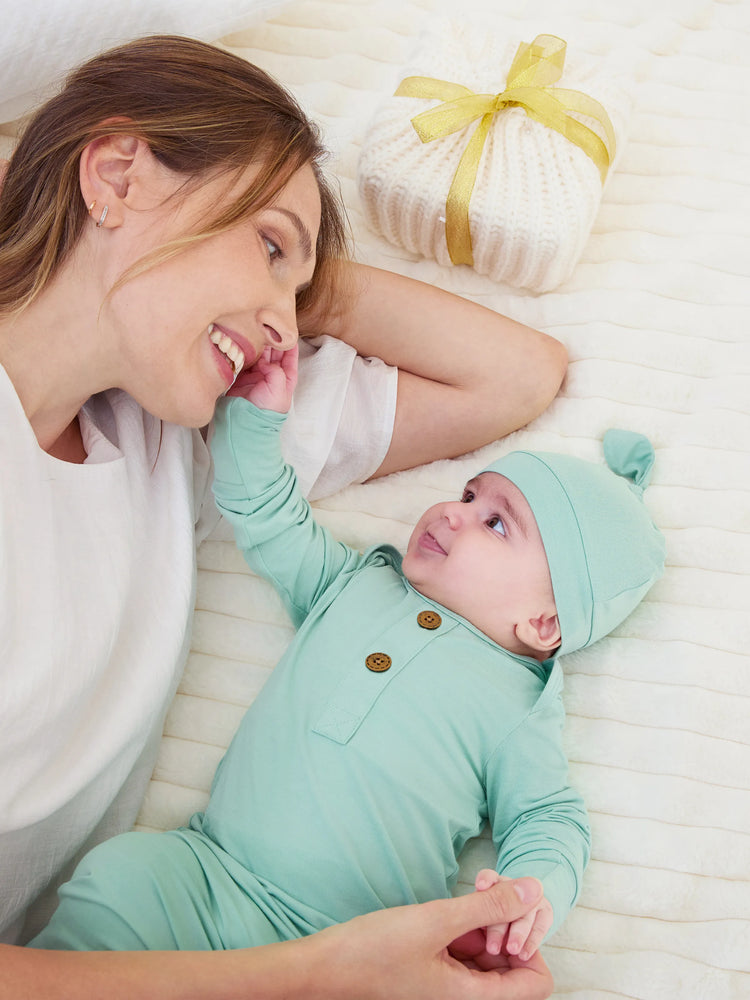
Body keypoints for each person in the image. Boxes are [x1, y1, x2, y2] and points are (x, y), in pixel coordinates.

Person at [0, 31, 566, 1000]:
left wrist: (292, 286)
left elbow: (514, 375)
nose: (282, 317)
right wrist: (311, 975)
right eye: (266, 242)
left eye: (293, 287)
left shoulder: (173, 447)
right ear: (119, 173)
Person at [30, 344, 665, 968]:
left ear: (544, 620)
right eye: (468, 497)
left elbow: (549, 815)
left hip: (351, 944)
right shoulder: (355, 584)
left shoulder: (517, 703)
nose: (453, 513)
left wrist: (530, 895)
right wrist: (255, 419)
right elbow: (269, 518)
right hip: (208, 870)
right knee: (119, 876)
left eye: (497, 524)